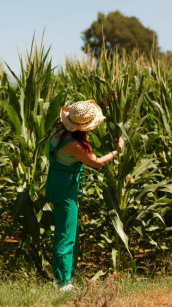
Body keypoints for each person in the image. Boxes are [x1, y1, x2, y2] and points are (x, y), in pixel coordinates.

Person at [46, 99, 124, 292]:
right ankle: (62, 283)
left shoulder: (61, 130)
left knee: (71, 229)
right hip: (65, 186)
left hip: (58, 181)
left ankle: (68, 275)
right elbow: (96, 162)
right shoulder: (72, 143)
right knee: (65, 233)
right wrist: (116, 151)